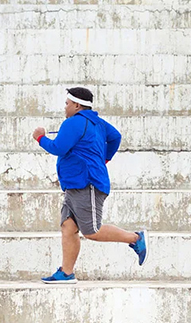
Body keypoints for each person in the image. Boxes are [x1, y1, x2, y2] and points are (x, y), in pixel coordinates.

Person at [32, 87, 148, 284]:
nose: (65, 107)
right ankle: (66, 272)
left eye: (67, 103)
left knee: (92, 231)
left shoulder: (73, 122)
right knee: (68, 226)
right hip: (75, 184)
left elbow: (58, 148)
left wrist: (40, 137)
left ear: (77, 105)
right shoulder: (97, 122)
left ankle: (136, 238)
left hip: (87, 183)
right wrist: (105, 158)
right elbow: (115, 137)